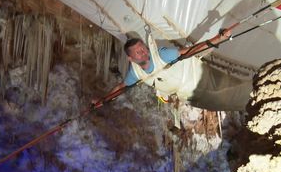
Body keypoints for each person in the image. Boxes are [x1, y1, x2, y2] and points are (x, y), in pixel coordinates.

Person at [93, 28, 251, 111]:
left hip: (204, 78)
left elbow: (190, 51)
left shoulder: (161, 55)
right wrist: (103, 100)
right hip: (192, 96)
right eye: (138, 51)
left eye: (143, 48)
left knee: (241, 92)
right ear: (131, 59)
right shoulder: (136, 73)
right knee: (233, 104)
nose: (143, 51)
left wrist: (219, 38)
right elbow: (121, 87)